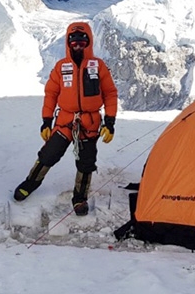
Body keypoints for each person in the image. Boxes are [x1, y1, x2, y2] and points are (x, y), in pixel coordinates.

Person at [13, 21, 118, 216]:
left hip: (90, 123)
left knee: (86, 163)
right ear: (68, 43)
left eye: (82, 40)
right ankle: (30, 184)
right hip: (64, 121)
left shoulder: (98, 66)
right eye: (73, 40)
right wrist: (46, 121)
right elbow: (51, 94)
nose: (77, 44)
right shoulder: (61, 67)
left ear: (89, 42)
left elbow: (110, 93)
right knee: (48, 155)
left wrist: (110, 122)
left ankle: (80, 198)